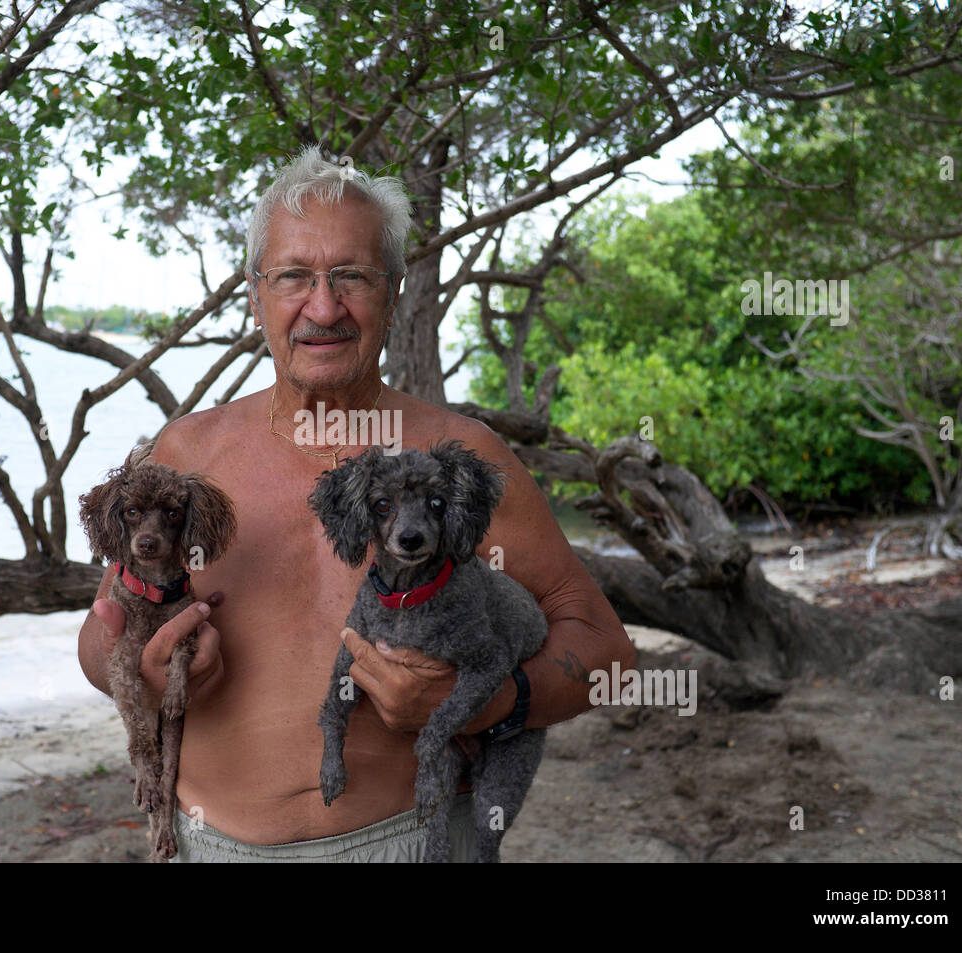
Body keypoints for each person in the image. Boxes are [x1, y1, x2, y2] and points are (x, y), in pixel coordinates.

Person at [77, 144, 634, 862]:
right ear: (255, 293)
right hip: (209, 845)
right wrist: (146, 672)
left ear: (395, 291)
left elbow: (608, 651)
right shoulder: (189, 455)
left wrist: (493, 702)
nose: (323, 306)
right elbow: (101, 638)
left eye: (351, 276)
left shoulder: (459, 460)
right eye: (293, 277)